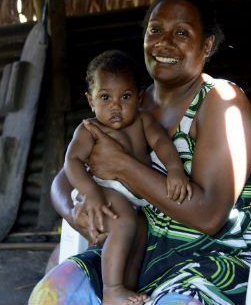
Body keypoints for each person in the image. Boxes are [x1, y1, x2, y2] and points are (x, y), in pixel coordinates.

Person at [29, 0, 251, 305]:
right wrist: (79, 215)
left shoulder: (221, 102)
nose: (164, 42)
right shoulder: (130, 102)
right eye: (155, 30)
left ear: (207, 44)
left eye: (181, 33)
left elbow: (211, 217)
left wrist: (121, 165)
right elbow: (65, 176)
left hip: (214, 256)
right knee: (51, 295)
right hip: (138, 253)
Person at [65, 49, 193, 305]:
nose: (116, 106)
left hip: (134, 197)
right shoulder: (89, 129)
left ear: (139, 97)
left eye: (125, 97)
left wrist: (176, 170)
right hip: (102, 188)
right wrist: (91, 193)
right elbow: (72, 162)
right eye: (105, 97)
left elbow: (162, 143)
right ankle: (112, 289)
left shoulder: (143, 121)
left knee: (138, 238)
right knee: (124, 224)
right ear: (90, 100)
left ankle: (128, 286)